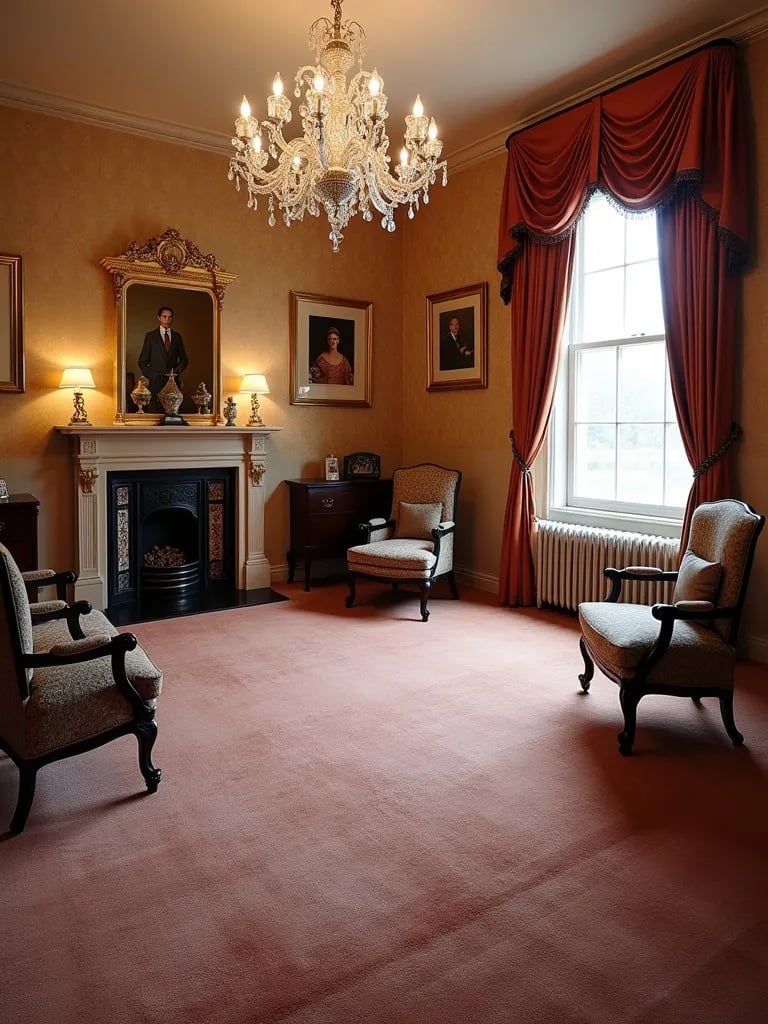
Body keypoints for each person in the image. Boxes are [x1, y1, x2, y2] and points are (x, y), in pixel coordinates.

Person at [138, 306, 189, 411]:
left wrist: (176, 372)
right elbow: (142, 361)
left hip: (173, 384)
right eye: (164, 316)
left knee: (173, 418)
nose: (167, 320)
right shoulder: (151, 336)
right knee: (154, 417)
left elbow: (184, 360)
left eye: (170, 317)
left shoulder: (177, 337)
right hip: (155, 384)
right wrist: (152, 376)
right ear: (159, 318)